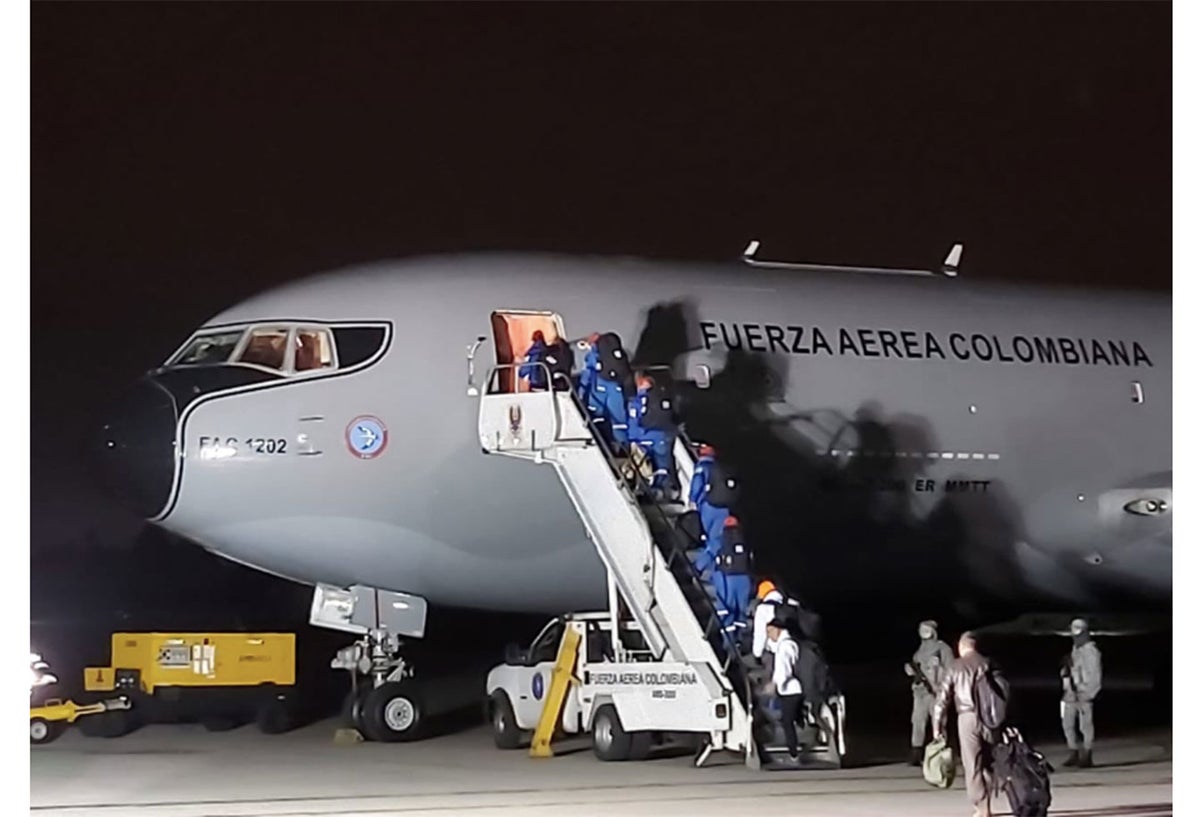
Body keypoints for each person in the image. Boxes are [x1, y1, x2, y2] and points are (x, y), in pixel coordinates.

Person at [933, 631, 997, 817]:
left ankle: (981, 807)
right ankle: (988, 803)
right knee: (988, 762)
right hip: (989, 718)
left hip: (967, 717)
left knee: (972, 763)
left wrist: (937, 725)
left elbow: (942, 699)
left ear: (961, 647)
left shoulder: (956, 666)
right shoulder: (988, 663)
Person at [906, 619, 955, 766]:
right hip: (920, 692)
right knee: (917, 721)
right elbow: (916, 666)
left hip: (936, 690)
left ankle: (941, 752)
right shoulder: (920, 651)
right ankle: (916, 753)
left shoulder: (943, 649)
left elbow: (951, 669)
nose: (924, 632)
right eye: (921, 629)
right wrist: (910, 671)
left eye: (926, 629)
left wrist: (939, 672)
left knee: (939, 722)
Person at [1060, 617, 1102, 768]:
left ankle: (1087, 754)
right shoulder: (1075, 649)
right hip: (1070, 692)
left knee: (1085, 725)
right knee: (1067, 723)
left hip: (1083, 693)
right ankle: (1073, 751)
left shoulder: (1091, 651)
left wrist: (1088, 692)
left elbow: (1095, 675)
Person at [626, 372, 677, 497]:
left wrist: (632, 439)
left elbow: (634, 421)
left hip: (643, 438)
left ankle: (646, 490)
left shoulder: (637, 401)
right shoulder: (663, 397)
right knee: (663, 465)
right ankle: (666, 489)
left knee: (642, 467)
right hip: (663, 437)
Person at [764, 617, 804, 763]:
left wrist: (775, 684)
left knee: (788, 722)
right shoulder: (789, 644)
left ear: (778, 630)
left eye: (770, 631)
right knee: (790, 719)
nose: (768, 635)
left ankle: (794, 755)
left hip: (790, 690)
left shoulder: (784, 647)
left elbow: (783, 670)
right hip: (793, 689)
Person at [714, 516, 754, 642]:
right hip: (745, 578)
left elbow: (712, 554)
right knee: (741, 611)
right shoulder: (745, 541)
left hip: (728, 578)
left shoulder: (720, 540)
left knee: (726, 611)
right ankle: (740, 640)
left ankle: (728, 642)